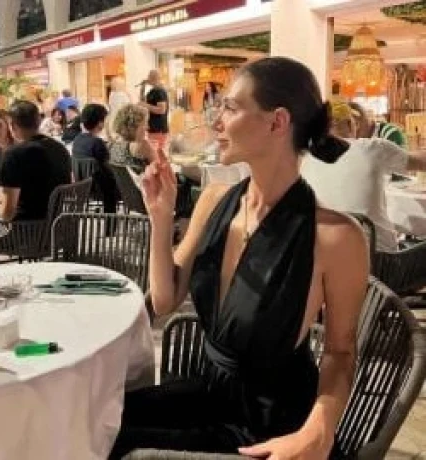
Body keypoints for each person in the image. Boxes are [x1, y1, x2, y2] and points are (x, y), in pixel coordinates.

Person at [108, 57, 368, 459]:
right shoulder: (215, 200)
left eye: (230, 108)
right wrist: (160, 217)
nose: (216, 121)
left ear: (277, 122)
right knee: (92, 419)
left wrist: (319, 430)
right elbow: (164, 300)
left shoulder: (336, 237)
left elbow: (340, 352)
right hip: (212, 393)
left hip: (272, 423)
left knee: (113, 444)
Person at [301, 99, 426, 251]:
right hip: (379, 257)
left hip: (326, 253)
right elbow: (421, 162)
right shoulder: (372, 148)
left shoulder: (305, 159)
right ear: (350, 124)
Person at [0, 100, 71, 221]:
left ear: (12, 125)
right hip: (60, 224)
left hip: (28, 228)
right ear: (39, 121)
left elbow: (7, 214)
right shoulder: (60, 149)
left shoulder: (14, 155)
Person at [72, 103, 120, 214]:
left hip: (83, 186)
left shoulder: (77, 140)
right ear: (100, 123)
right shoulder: (97, 143)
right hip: (103, 190)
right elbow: (109, 168)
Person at [109, 103, 158, 174]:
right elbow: (160, 169)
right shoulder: (142, 146)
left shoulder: (111, 146)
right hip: (143, 181)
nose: (148, 127)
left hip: (121, 181)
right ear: (133, 128)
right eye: (145, 123)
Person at [139, 69, 169, 149]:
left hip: (158, 129)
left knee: (157, 152)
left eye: (149, 76)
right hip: (152, 128)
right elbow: (143, 102)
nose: (147, 78)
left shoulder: (160, 91)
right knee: (154, 151)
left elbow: (162, 110)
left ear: (153, 78)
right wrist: (142, 88)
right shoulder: (152, 91)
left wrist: (145, 105)